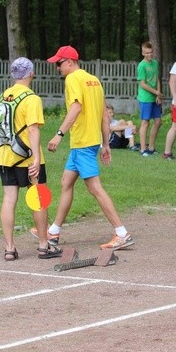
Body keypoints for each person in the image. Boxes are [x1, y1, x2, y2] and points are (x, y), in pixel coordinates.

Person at [35, 45, 134, 251]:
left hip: (82, 143)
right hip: (87, 143)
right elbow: (105, 115)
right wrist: (105, 143)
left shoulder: (73, 79)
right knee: (66, 182)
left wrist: (59, 134)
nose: (57, 68)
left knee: (94, 188)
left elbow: (76, 107)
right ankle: (53, 231)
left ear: (70, 62)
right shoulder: (94, 80)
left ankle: (121, 233)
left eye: (59, 63)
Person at [0, 57, 61, 261]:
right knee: (38, 198)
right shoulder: (31, 98)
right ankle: (44, 245)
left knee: (9, 199)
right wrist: (35, 157)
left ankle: (9, 248)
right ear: (31, 73)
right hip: (27, 157)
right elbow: (33, 129)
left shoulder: (2, 96)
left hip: (6, 156)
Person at [137, 41, 163, 156]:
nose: (149, 55)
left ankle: (151, 147)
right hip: (145, 98)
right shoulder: (141, 66)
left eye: (151, 52)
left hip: (154, 97)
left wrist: (158, 95)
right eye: (146, 53)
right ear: (143, 53)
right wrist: (155, 92)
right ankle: (143, 149)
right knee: (145, 122)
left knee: (158, 122)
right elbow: (143, 84)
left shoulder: (155, 63)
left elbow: (157, 79)